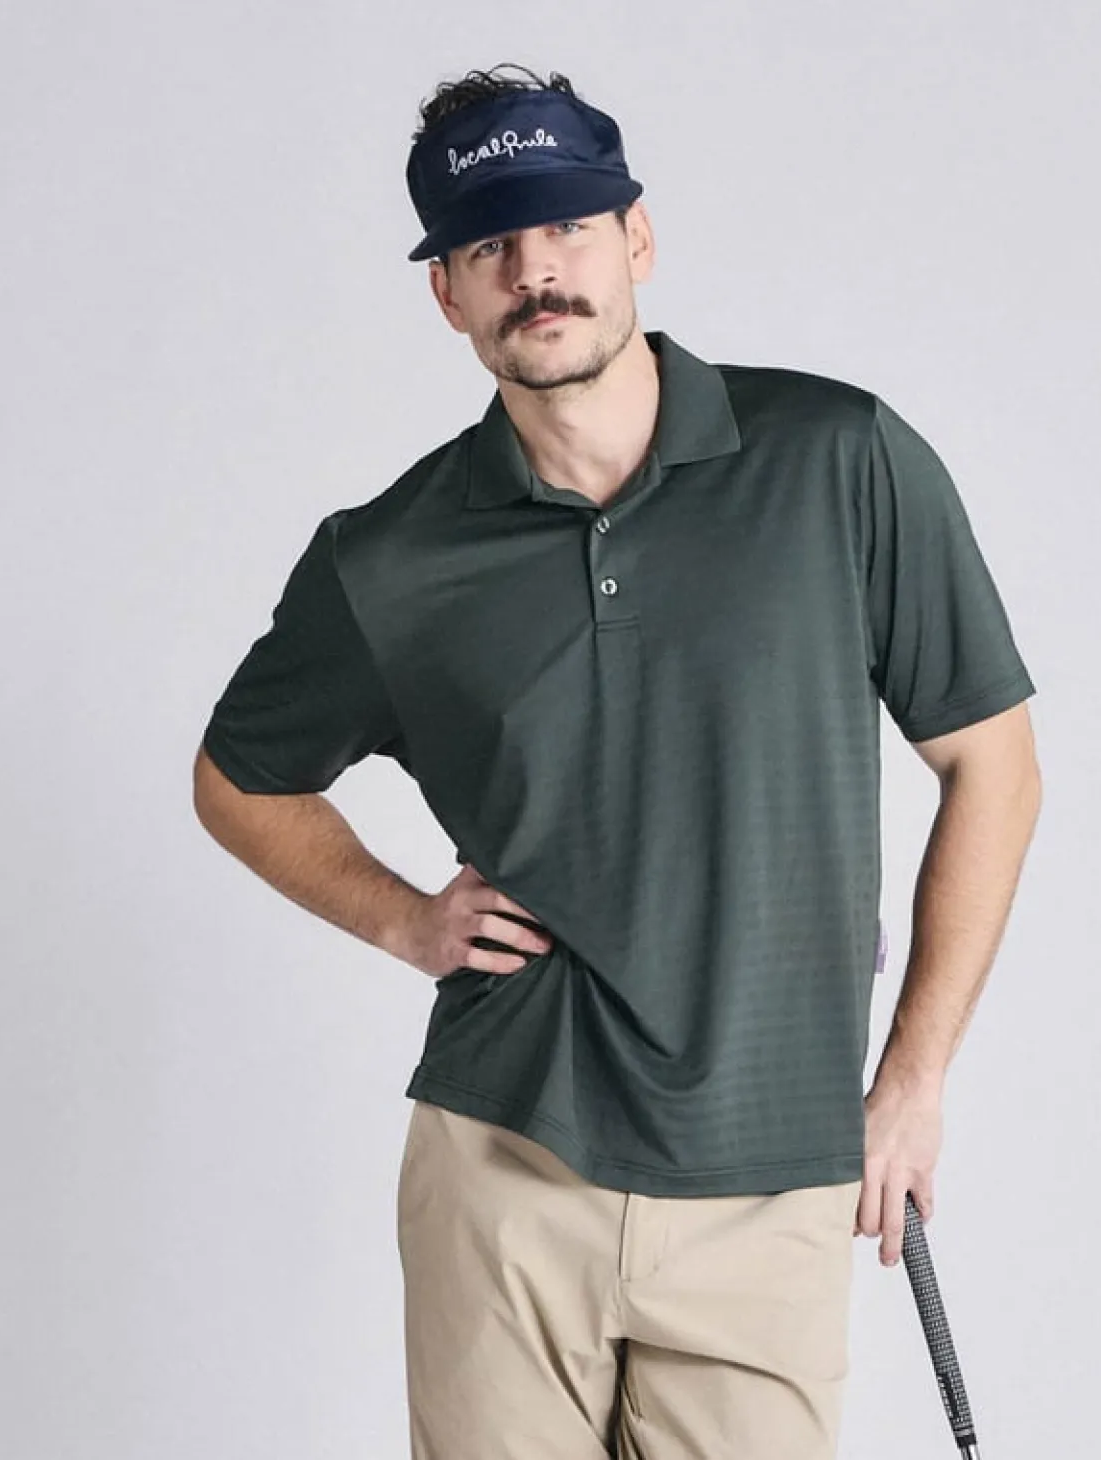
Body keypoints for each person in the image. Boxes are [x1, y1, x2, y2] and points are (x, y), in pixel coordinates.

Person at [193, 61, 1042, 1460]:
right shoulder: (390, 556)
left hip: (770, 1171)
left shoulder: (838, 461)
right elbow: (239, 779)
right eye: (488, 246)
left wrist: (914, 1078)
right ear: (448, 294)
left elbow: (994, 764)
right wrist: (406, 920)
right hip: (507, 1164)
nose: (535, 271)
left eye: (567, 226)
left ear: (635, 238)